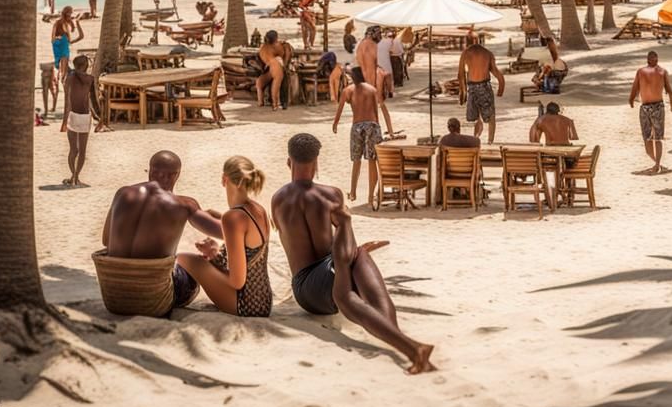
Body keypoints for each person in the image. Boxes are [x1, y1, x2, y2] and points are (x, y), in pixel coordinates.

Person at [271, 133, 435, 374]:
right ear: (316, 163)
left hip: (305, 292)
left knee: (356, 257)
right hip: (328, 278)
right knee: (358, 255)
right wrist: (346, 226)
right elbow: (344, 253)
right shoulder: (331, 195)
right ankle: (403, 340)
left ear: (288, 162)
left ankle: (401, 341)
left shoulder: (277, 200)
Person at [101, 150, 224, 314]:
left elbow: (106, 240)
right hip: (155, 300)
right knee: (194, 264)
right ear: (176, 175)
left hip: (113, 297)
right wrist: (222, 217)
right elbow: (226, 233)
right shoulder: (184, 204)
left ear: (150, 171)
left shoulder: (122, 193)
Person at [176, 156, 272, 318]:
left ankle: (176, 295)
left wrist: (214, 254)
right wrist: (220, 219)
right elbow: (248, 239)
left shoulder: (233, 218)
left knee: (184, 258)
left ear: (224, 179)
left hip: (244, 304)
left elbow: (237, 281)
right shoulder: (259, 210)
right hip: (263, 301)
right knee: (195, 258)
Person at [332, 67, 384, 207]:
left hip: (357, 126)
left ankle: (353, 191)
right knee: (371, 160)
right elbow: (375, 110)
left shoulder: (348, 90)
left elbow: (340, 108)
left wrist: (335, 123)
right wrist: (377, 127)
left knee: (356, 160)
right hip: (372, 126)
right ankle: (370, 196)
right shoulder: (372, 89)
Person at [629, 50, 672, 175]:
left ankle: (657, 164)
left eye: (656, 58)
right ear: (649, 60)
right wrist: (631, 99)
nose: (655, 61)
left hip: (656, 106)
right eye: (653, 59)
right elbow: (635, 87)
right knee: (649, 139)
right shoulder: (642, 72)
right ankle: (658, 163)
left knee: (657, 138)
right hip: (647, 107)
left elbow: (669, 90)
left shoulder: (662, 72)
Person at [458, 35, 506, 142]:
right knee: (491, 117)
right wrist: (501, 88)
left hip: (472, 87)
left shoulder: (466, 53)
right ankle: (490, 141)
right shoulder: (487, 53)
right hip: (484, 86)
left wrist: (462, 94)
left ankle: (476, 139)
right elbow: (496, 72)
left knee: (476, 118)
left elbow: (461, 75)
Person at [61, 54, 95, 186]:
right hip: (85, 116)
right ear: (86, 66)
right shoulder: (91, 79)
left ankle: (73, 176)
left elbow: (67, 101)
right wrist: (101, 119)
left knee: (73, 150)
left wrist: (64, 121)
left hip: (73, 115)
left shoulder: (70, 78)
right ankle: (76, 176)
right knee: (82, 151)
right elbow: (94, 101)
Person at [256, 30, 292, 110]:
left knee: (261, 83)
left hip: (270, 66)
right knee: (277, 84)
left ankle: (265, 102)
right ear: (276, 38)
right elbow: (286, 55)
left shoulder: (264, 47)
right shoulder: (281, 46)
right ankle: (277, 103)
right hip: (276, 66)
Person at [52, 6, 84, 83]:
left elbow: (80, 36)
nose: (70, 16)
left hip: (62, 46)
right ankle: (62, 79)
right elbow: (53, 38)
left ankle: (62, 79)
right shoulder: (60, 23)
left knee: (63, 70)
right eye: (70, 14)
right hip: (62, 47)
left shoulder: (64, 23)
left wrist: (77, 22)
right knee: (63, 70)